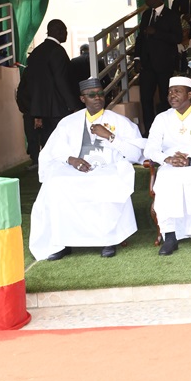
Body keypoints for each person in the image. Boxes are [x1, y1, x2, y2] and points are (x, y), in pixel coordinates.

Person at [29, 78, 143, 261]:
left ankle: (107, 240)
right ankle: (62, 242)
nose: (97, 98)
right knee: (55, 184)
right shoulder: (68, 122)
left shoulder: (120, 122)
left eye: (100, 94)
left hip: (108, 168)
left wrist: (111, 137)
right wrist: (71, 159)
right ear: (82, 99)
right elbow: (52, 151)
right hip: (75, 170)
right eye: (91, 95)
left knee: (106, 182)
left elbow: (135, 153)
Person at [144, 76, 191, 255]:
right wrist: (167, 159)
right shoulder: (161, 118)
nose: (172, 95)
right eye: (170, 92)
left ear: (189, 94)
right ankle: (170, 236)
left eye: (177, 91)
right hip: (170, 164)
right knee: (165, 178)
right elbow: (150, 149)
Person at [23, 19, 77, 154]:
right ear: (59, 31)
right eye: (65, 31)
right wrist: (73, 105)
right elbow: (61, 80)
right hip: (57, 108)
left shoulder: (36, 52)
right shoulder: (58, 51)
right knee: (62, 142)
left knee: (47, 143)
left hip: (40, 108)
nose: (66, 34)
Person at [134, 0, 182, 134]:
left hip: (165, 64)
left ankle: (167, 131)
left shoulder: (171, 15)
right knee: (146, 99)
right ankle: (149, 132)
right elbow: (140, 38)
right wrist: (137, 58)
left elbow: (177, 38)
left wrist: (156, 32)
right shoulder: (146, 14)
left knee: (166, 98)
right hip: (147, 65)